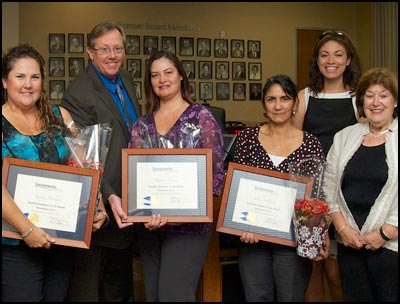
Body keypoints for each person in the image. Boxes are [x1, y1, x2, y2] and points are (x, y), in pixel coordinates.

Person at [2, 44, 108, 302]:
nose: (28, 84)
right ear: (5, 81)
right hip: (15, 243)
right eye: (20, 76)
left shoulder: (60, 116)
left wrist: (99, 206)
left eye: (35, 77)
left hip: (61, 239)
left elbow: (85, 166)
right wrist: (27, 230)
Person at [127, 50, 225, 302]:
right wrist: (141, 213)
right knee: (154, 295)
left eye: (168, 72)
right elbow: (135, 178)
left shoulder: (201, 117)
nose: (162, 79)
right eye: (155, 75)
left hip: (189, 227)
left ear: (181, 75)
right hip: (150, 226)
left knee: (174, 295)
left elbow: (215, 174)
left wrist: (181, 211)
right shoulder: (141, 125)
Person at [61, 21, 141, 302]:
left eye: (118, 48)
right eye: (104, 49)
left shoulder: (126, 79)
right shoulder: (79, 93)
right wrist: (109, 195)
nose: (112, 55)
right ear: (90, 52)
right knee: (90, 290)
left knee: (119, 288)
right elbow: (83, 156)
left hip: (128, 206)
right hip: (101, 210)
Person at [232, 74, 328, 301]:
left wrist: (318, 233)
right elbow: (237, 188)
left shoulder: (310, 143)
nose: (278, 106)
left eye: (284, 99)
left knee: (291, 297)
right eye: (271, 99)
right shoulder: (246, 139)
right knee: (256, 297)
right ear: (264, 104)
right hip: (253, 238)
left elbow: (316, 196)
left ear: (295, 103)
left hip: (293, 240)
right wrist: (240, 224)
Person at [293, 30, 362, 302]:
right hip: (310, 197)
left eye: (338, 54)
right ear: (317, 61)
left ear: (348, 61)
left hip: (345, 198)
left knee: (336, 271)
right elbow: (293, 145)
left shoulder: (360, 99)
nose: (330, 60)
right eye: (324, 54)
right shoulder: (305, 96)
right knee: (311, 268)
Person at [323, 67, 398, 302]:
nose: (376, 102)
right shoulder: (344, 136)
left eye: (384, 95)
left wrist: (386, 232)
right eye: (369, 95)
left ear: (395, 101)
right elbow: (329, 188)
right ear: (361, 101)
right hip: (349, 243)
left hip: (391, 246)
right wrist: (343, 229)